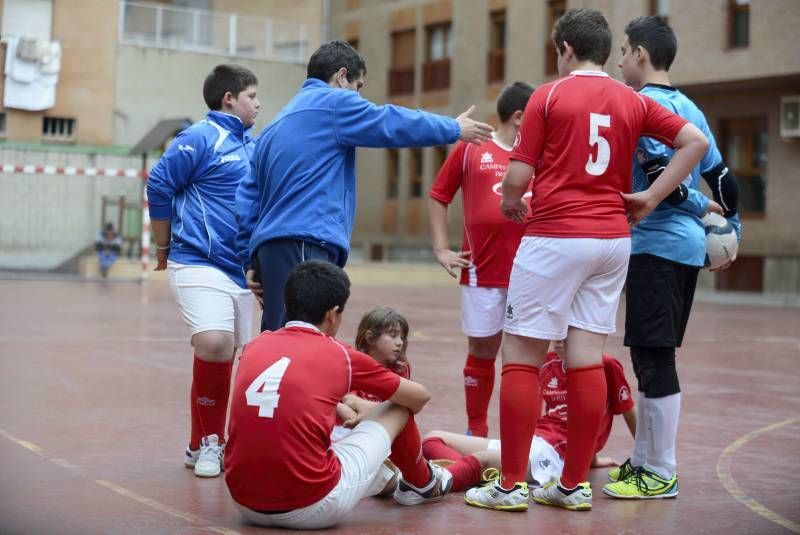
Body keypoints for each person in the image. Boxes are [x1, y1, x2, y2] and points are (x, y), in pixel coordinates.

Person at [465, 8, 709, 512]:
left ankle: (510, 486)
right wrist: (650, 198)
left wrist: (513, 202)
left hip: (555, 234)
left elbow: (516, 179)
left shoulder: (547, 96)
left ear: (566, 50)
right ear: (603, 51)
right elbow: (695, 142)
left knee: (522, 357)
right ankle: (573, 485)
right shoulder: (632, 100)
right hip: (613, 242)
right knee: (585, 358)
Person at [235, 40, 494, 332]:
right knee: (304, 339)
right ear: (341, 76)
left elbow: (247, 196)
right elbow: (389, 121)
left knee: (277, 338)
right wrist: (453, 128)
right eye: (359, 87)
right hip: (306, 240)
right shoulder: (335, 102)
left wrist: (249, 259)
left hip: (271, 249)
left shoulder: (272, 127)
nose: (359, 98)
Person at [602, 16, 741, 500]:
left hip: (656, 245)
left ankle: (662, 470)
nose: (619, 61)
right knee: (648, 352)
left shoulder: (641, 107)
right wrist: (732, 232)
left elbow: (663, 173)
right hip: (683, 249)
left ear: (641, 54)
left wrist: (703, 207)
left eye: (623, 52)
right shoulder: (691, 108)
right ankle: (643, 461)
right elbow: (726, 180)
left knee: (655, 355)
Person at [225, 261, 453, 530]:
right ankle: (424, 483)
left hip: (244, 501)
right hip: (312, 505)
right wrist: (371, 409)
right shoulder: (338, 353)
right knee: (400, 408)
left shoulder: (256, 344)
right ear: (333, 314)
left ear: (287, 307)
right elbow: (419, 397)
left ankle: (394, 479)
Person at [146, 64, 261, 478]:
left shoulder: (254, 145)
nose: (258, 104)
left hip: (242, 269)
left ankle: (198, 443)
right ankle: (214, 442)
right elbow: (158, 184)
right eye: (252, 96)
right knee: (214, 342)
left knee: (229, 357)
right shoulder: (199, 137)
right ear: (228, 99)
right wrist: (163, 246)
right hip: (195, 258)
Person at [428, 81, 535, 438]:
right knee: (483, 349)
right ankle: (477, 429)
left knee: (528, 357)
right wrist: (442, 248)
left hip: (533, 272)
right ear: (520, 117)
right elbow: (439, 194)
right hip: (482, 272)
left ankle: (525, 433)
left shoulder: (541, 153)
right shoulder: (473, 148)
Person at [420, 341, 635, 506]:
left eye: (568, 333)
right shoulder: (549, 361)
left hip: (552, 455)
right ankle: (471, 474)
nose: (560, 340)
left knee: (482, 460)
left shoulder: (603, 365)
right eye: (558, 332)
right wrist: (593, 458)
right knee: (433, 439)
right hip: (533, 440)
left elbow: (623, 410)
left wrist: (643, 459)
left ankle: (427, 484)